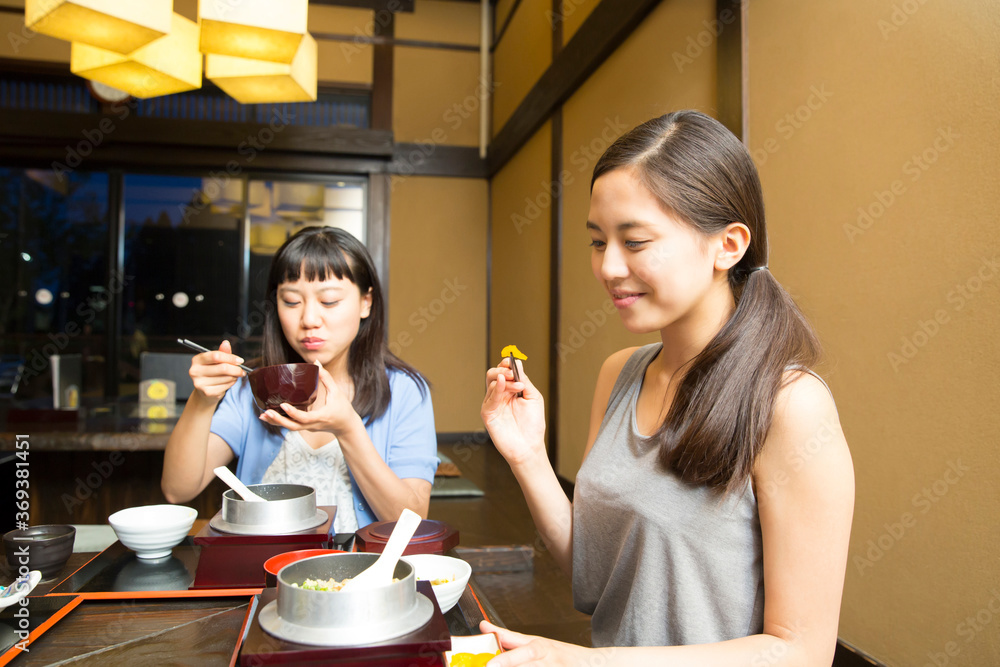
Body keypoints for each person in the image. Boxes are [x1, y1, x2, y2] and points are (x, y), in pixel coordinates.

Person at [480, 110, 854, 665]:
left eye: (634, 241)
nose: (608, 266)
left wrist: (584, 662)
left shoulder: (791, 406)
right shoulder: (620, 373)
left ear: (728, 245)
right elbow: (594, 568)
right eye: (597, 241)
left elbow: (801, 650)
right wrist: (529, 457)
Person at [162, 227, 438, 532]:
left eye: (329, 301)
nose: (308, 320)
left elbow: (411, 522)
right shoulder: (250, 387)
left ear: (366, 302)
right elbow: (178, 489)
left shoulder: (404, 391)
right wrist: (202, 400)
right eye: (291, 301)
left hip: (363, 574)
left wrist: (348, 430)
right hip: (261, 572)